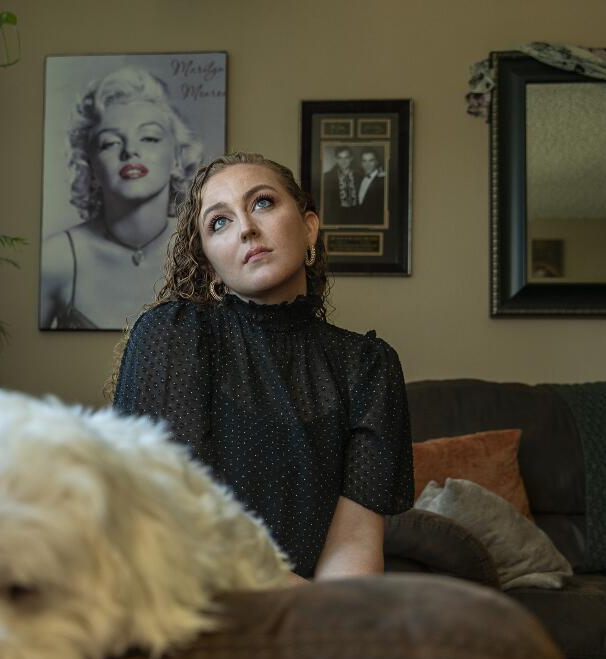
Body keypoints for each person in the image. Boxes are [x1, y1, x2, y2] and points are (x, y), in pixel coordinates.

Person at [109, 152, 414, 583]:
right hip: (190, 605)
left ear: (309, 226)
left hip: (311, 621)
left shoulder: (369, 366)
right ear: (211, 265)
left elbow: (355, 545)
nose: (247, 228)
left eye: (262, 203)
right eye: (220, 222)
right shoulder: (175, 335)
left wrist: (330, 631)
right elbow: (168, 516)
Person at [40, 67, 203, 330]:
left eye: (149, 137)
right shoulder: (57, 258)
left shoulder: (204, 250)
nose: (130, 151)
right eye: (110, 143)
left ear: (177, 157)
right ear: (89, 165)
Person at [320, 145, 361, 225]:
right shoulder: (327, 177)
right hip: (337, 216)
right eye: (340, 158)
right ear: (336, 159)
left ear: (351, 158)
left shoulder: (360, 175)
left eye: (346, 157)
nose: (343, 161)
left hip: (357, 214)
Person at [356, 148, 386, 225]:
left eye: (371, 160)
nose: (367, 164)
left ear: (377, 162)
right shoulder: (358, 179)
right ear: (361, 163)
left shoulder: (383, 180)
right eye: (364, 161)